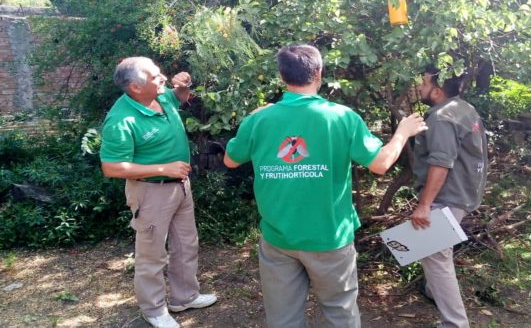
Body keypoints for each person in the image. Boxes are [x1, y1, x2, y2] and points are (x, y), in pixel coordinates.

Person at [223, 44, 427, 328]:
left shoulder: (259, 119)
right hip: (329, 237)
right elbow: (380, 164)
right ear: (319, 73)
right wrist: (403, 132)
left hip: (278, 237)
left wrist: (251, 117)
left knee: (283, 319)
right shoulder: (342, 117)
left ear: (282, 76)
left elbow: (230, 160)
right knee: (340, 313)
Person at [100, 57, 217, 328]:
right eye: (155, 76)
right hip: (150, 192)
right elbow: (112, 167)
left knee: (186, 244)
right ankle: (154, 311)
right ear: (135, 87)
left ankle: (184, 297)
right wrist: (164, 168)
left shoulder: (161, 96)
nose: (162, 77)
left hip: (180, 186)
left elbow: (179, 98)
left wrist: (184, 85)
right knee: (152, 255)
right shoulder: (121, 120)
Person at [410, 66, 488, 328]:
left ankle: (455, 324)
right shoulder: (463, 108)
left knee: (434, 254)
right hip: (464, 191)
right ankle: (433, 291)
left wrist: (424, 205)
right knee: (433, 251)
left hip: (448, 195)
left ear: (437, 90)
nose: (420, 87)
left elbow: (441, 163)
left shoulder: (442, 117)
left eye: (424, 83)